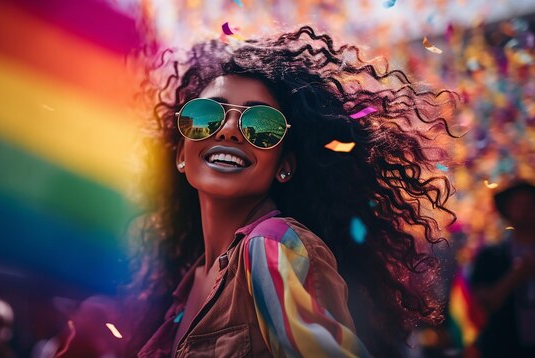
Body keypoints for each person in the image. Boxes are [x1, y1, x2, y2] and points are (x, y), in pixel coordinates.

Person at [85, 25, 457, 357]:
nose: (229, 130)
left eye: (261, 123)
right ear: (182, 154)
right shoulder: (189, 281)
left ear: (285, 166)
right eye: (204, 116)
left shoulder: (273, 248)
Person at [470, 181, 535, 357]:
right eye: (518, 204)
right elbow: (485, 304)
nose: (525, 211)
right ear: (507, 210)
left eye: (530, 204)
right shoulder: (490, 256)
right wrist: (516, 275)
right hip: (504, 346)